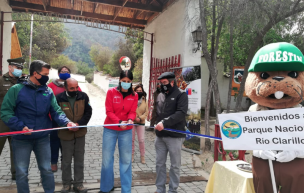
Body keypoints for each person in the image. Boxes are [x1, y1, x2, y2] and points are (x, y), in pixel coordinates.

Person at [0, 60, 76, 193]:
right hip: (21, 139)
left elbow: (56, 111)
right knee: (22, 172)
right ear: (35, 73)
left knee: (47, 170)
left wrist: (66, 122)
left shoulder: (48, 91)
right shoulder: (16, 90)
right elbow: (5, 112)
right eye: (45, 74)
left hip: (42, 139)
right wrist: (20, 127)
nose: (47, 77)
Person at [99, 70, 137, 193]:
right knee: (107, 159)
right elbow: (109, 111)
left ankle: (126, 190)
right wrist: (119, 121)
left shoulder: (134, 95)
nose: (126, 83)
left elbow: (132, 111)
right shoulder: (111, 92)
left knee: (126, 161)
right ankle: (106, 188)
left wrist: (130, 119)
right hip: (110, 129)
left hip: (126, 130)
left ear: (131, 82)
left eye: (128, 82)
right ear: (119, 80)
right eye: (123, 81)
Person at [154, 72, 188, 193]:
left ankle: (172, 190)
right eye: (161, 83)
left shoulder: (181, 95)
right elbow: (157, 112)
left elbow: (180, 113)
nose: (162, 85)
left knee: (175, 166)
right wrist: (154, 123)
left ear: (172, 82)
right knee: (159, 164)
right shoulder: (160, 95)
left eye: (165, 83)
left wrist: (164, 123)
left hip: (175, 137)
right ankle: (160, 189)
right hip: (160, 137)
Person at [56, 78, 92, 193]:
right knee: (66, 161)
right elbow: (56, 114)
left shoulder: (83, 96)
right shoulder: (59, 98)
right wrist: (67, 124)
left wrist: (79, 124)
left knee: (79, 160)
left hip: (80, 133)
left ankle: (78, 184)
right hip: (65, 134)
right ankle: (66, 184)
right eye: (72, 88)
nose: (75, 90)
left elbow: (88, 112)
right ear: (65, 87)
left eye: (76, 87)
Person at [48, 66, 82, 172]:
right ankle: (53, 162)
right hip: (53, 119)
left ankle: (64, 161)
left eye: (67, 72)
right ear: (58, 74)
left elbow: (80, 98)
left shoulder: (74, 86)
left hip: (69, 120)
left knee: (66, 142)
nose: (64, 73)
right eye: (62, 72)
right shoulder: (51, 85)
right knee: (54, 141)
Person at [0, 57, 25, 180]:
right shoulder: (1, 80)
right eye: (17, 67)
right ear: (10, 67)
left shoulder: (23, 81)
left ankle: (17, 174)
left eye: (21, 68)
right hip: (2, 121)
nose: (19, 70)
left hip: (18, 120)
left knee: (17, 148)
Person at [132, 84, 148, 164]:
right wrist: (134, 118)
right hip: (132, 121)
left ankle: (142, 156)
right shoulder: (131, 99)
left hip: (141, 122)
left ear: (142, 91)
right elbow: (130, 109)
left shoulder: (145, 100)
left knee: (141, 140)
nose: (138, 92)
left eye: (140, 91)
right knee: (131, 140)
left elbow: (146, 112)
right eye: (137, 91)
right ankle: (131, 155)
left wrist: (140, 118)